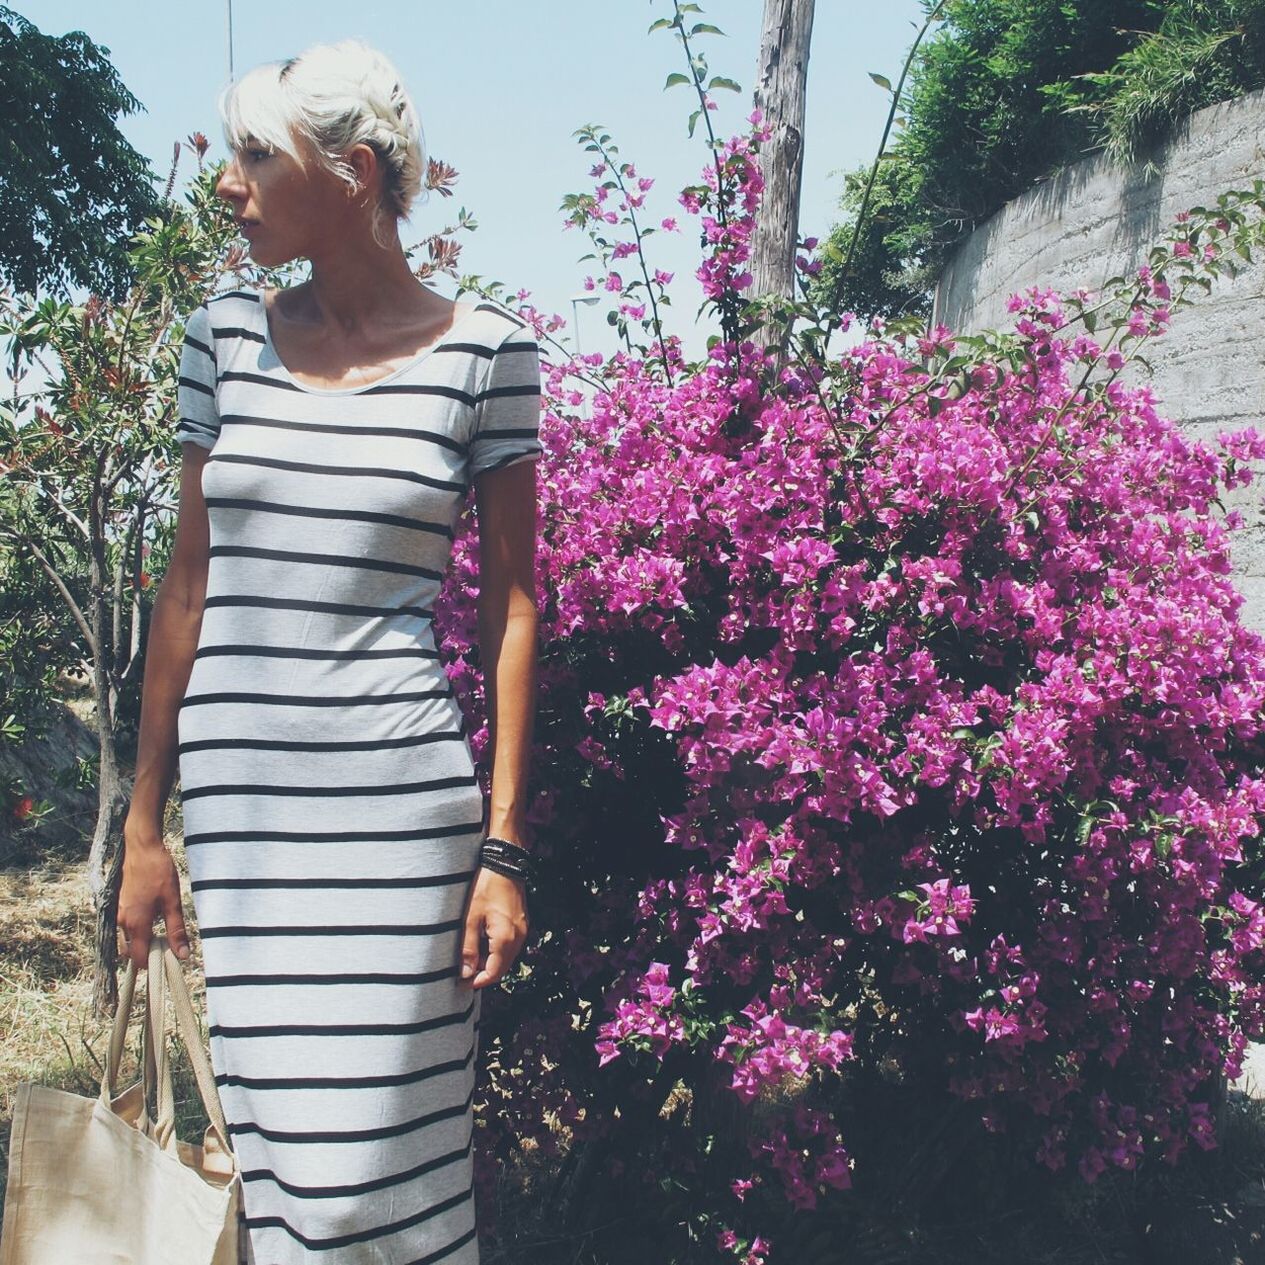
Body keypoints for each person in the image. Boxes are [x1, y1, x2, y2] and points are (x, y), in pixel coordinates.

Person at [118, 38, 540, 1264]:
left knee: (380, 1172)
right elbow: (185, 585)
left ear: (351, 173)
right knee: (287, 1162)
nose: (228, 182)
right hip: (246, 827)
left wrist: (502, 847)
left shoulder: (484, 353)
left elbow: (513, 608)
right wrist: (148, 828)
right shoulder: (224, 338)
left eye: (256, 155)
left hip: (397, 822)